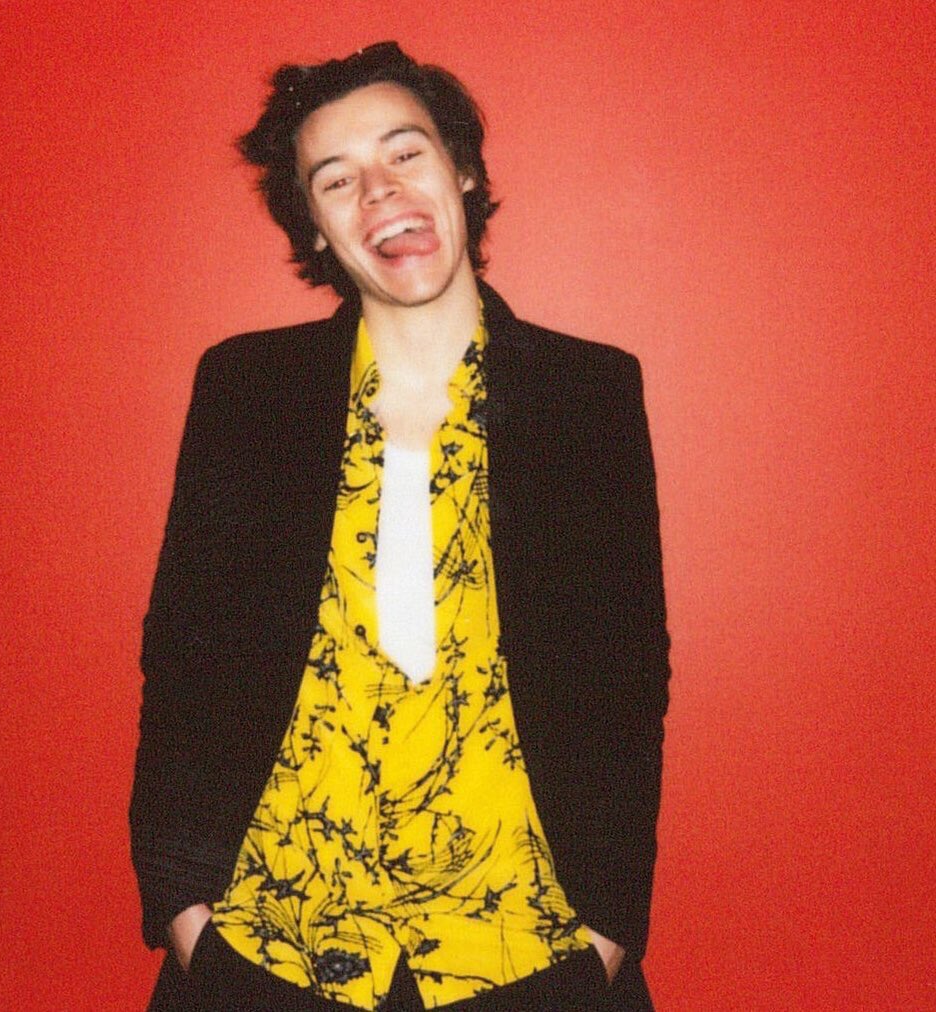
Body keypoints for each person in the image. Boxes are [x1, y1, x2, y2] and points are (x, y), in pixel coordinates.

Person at [130, 42, 670, 1011]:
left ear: (460, 171)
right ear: (316, 224)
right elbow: (184, 658)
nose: (378, 191)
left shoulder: (586, 394)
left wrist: (605, 934)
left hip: (528, 953)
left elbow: (626, 673)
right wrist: (185, 915)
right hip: (269, 946)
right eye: (336, 179)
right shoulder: (249, 391)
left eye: (404, 153)